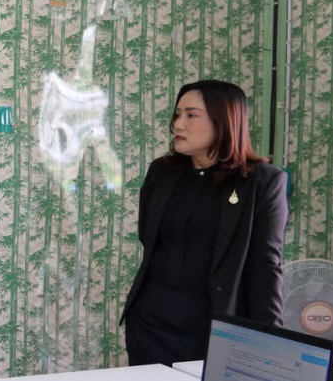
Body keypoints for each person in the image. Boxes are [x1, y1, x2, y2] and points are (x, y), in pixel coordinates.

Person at [121, 79, 289, 366]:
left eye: (191, 115)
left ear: (224, 121)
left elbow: (265, 267)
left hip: (215, 330)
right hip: (149, 325)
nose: (178, 125)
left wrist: (272, 344)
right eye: (177, 114)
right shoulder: (162, 172)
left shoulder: (261, 182)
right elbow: (147, 236)